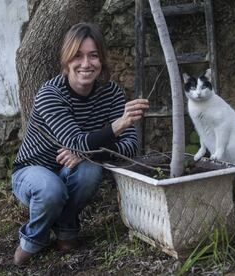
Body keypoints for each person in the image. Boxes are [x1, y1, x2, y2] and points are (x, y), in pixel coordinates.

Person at [11, 22, 149, 266]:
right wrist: (119, 124)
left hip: (75, 168)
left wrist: (86, 154)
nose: (86, 63)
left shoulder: (111, 93)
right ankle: (34, 238)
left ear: (102, 60)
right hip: (32, 170)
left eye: (93, 55)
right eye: (77, 55)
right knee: (50, 189)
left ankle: (65, 227)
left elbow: (131, 146)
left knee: (90, 170)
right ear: (66, 60)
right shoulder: (50, 94)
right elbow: (75, 141)